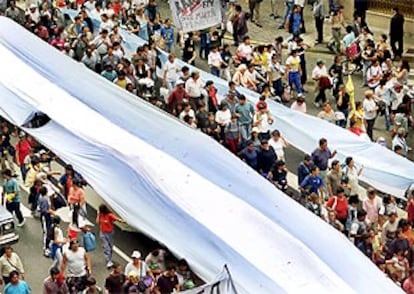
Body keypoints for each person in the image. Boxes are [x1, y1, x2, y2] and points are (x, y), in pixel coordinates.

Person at [96, 204, 126, 268]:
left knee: (110, 247)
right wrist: (98, 214)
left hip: (110, 233)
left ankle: (109, 258)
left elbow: (116, 219)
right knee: (106, 247)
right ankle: (108, 261)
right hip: (103, 233)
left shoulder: (109, 215)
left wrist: (123, 221)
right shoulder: (100, 215)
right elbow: (97, 222)